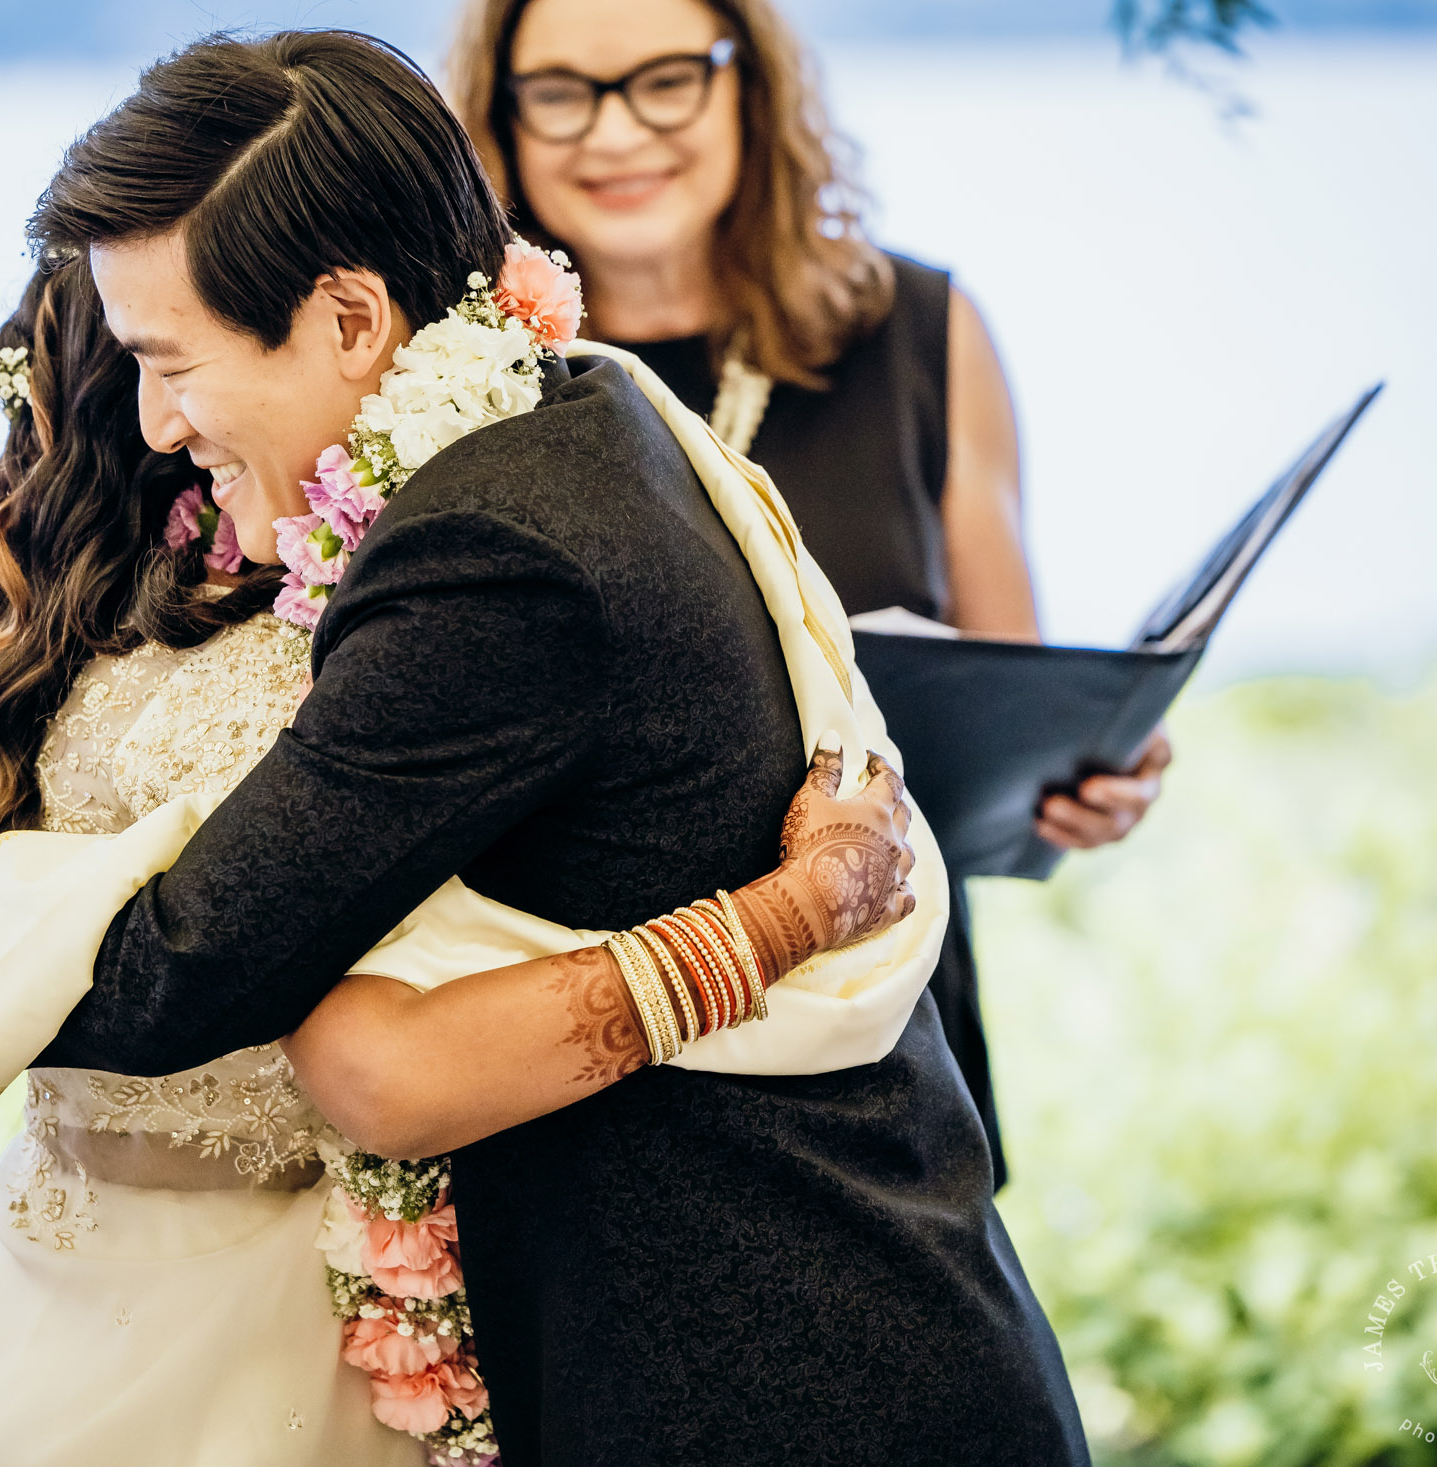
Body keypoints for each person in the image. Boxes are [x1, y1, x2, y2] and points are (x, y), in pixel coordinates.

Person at [5, 29, 1089, 1467]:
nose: (156, 420)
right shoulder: (583, 402)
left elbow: (181, 977)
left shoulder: (488, 548)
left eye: (170, 362)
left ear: (348, 320)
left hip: (781, 1365)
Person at [0, 254, 922, 1462]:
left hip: (298, 1282)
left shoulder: (352, 602)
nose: (174, 414)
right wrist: (800, 909)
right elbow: (337, 1049)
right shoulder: (238, 623)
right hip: (99, 1261)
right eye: (148, 364)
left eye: (182, 359)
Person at [446, 0, 1174, 1186]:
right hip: (573, 1034)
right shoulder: (457, 376)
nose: (615, 131)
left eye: (667, 79)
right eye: (563, 91)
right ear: (501, 120)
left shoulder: (922, 333)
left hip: (881, 1033)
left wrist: (1087, 773)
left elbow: (1004, 695)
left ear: (750, 88)